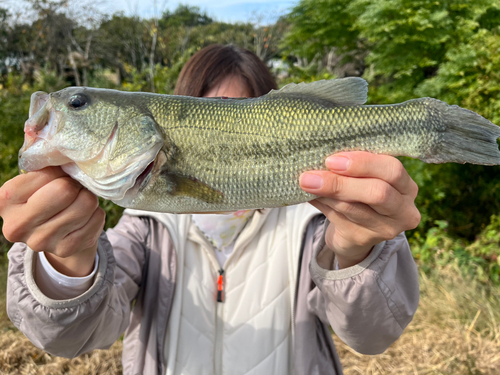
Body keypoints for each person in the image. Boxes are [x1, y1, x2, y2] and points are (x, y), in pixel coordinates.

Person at [1, 44, 420, 375]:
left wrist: (359, 249)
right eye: (208, 108)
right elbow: (73, 337)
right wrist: (65, 259)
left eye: (237, 112)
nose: (223, 122)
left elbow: (373, 334)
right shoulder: (144, 229)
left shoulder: (315, 225)